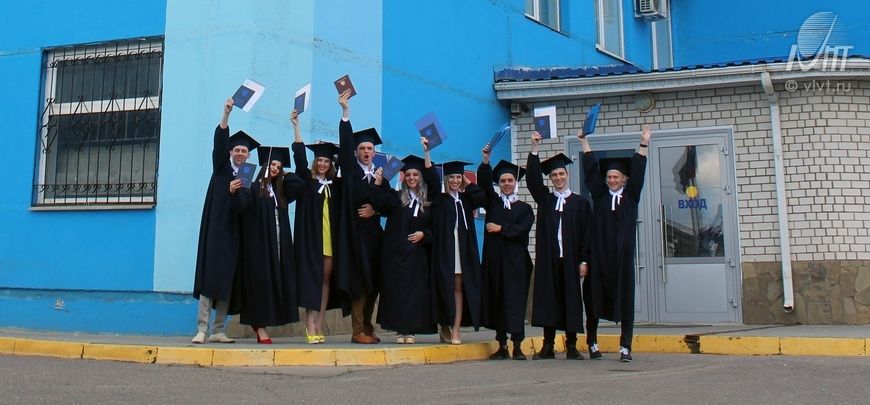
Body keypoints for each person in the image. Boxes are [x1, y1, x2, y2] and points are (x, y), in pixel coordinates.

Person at [579, 124, 651, 362]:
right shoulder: (600, 196)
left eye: (616, 177)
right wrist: (584, 142)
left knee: (626, 302)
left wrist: (643, 144)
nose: (611, 180)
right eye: (609, 177)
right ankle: (592, 342)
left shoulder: (631, 197)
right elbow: (591, 171)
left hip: (621, 262)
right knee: (593, 302)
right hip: (599, 261)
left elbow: (639, 173)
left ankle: (625, 347)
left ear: (624, 179)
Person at [191, 98, 260, 344]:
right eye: (237, 150)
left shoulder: (247, 176)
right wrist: (226, 115)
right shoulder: (221, 168)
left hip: (234, 234)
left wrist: (236, 193)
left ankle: (218, 329)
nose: (240, 153)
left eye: (244, 151)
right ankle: (202, 328)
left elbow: (245, 206)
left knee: (227, 280)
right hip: (216, 232)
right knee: (210, 279)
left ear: (248, 155)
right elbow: (219, 143)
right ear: (231, 152)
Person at [333, 90, 393, 344]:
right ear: (356, 152)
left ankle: (368, 327)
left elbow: (391, 205)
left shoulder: (380, 175)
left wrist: (376, 208)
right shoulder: (351, 172)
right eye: (362, 148)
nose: (366, 152)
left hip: (375, 235)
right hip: (355, 234)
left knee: (374, 281)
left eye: (370, 148)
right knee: (359, 281)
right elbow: (345, 145)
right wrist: (346, 113)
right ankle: (357, 330)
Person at [527, 131, 591, 360]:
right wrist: (534, 149)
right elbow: (533, 180)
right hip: (549, 260)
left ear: (567, 174)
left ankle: (572, 345)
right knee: (549, 301)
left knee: (571, 301)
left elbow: (587, 235)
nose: (558, 178)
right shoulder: (546, 200)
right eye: (554, 175)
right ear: (551, 178)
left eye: (561, 173)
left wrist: (584, 260)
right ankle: (548, 345)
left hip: (571, 260)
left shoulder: (580, 203)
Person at [231, 146, 304, 344]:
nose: (275, 168)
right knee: (260, 285)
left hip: (279, 246)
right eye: (272, 164)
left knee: (275, 283)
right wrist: (238, 189)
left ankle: (265, 323)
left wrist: (285, 174)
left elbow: (298, 184)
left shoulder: (280, 191)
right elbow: (242, 205)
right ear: (265, 165)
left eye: (278, 167)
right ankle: (259, 326)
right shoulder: (254, 187)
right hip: (259, 246)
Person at [369, 145, 438, 343]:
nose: (412, 178)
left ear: (420, 177)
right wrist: (378, 183)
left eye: (415, 174)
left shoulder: (428, 203)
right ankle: (400, 330)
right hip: (396, 254)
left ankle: (411, 330)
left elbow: (435, 228)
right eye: (408, 175)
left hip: (418, 256)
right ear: (403, 177)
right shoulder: (397, 198)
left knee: (415, 293)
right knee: (397, 292)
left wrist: (423, 234)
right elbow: (380, 203)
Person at [290, 110, 343, 344]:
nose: (322, 164)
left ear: (330, 164)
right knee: (312, 280)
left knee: (325, 280)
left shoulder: (334, 185)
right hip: (311, 240)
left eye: (326, 161)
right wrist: (296, 126)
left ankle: (320, 322)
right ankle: (309, 324)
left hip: (330, 239)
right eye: (319, 160)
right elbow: (300, 158)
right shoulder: (306, 181)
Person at [479, 146, 535, 360]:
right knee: (498, 301)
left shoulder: (525, 208)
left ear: (515, 182)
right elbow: (484, 184)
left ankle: (517, 346)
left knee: (515, 302)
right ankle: (501, 344)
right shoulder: (493, 203)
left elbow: (521, 231)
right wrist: (485, 162)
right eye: (503, 181)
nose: (506, 184)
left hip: (516, 264)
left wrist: (500, 228)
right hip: (495, 262)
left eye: (510, 180)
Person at [429, 157, 486, 345]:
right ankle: (444, 324)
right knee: (446, 286)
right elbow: (431, 182)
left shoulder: (466, 200)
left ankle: (456, 328)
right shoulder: (440, 200)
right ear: (446, 178)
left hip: (463, 250)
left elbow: (481, 196)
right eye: (452, 177)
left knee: (459, 286)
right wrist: (427, 153)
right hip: (445, 250)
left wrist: (467, 182)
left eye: (458, 177)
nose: (455, 180)